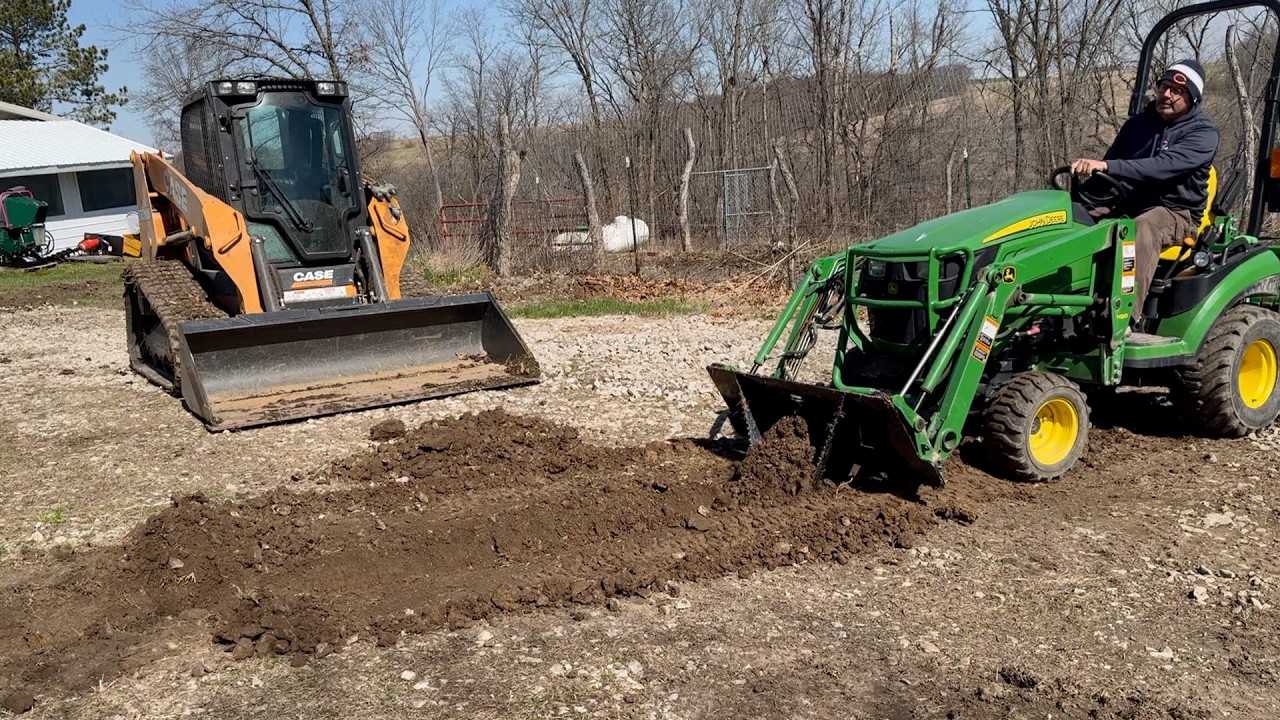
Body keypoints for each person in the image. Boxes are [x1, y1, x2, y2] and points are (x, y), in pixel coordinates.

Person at [1070, 59, 1219, 320]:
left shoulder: (1203, 134)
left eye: (1177, 91)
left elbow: (1161, 167)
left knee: (1142, 227)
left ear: (1192, 98)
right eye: (1164, 87)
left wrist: (1106, 166)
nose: (1166, 94)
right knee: (1070, 217)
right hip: (1127, 201)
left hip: (1176, 212)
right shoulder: (1138, 126)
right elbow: (1106, 173)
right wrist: (1076, 201)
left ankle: (1123, 318)